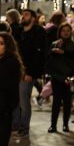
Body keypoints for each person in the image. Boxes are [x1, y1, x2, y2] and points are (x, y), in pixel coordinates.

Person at [12, 9, 47, 137]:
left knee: (23, 101)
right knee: (15, 99)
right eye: (23, 14)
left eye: (26, 15)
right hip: (17, 71)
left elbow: (38, 54)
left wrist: (30, 72)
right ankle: (15, 124)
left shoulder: (38, 32)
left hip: (28, 72)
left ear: (33, 18)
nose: (23, 17)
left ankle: (24, 127)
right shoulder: (20, 31)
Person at [46, 23, 74, 133]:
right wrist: (54, 50)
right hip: (56, 76)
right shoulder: (54, 44)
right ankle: (53, 125)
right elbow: (49, 59)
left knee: (67, 102)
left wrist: (63, 52)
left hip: (68, 77)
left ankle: (65, 124)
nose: (65, 32)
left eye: (67, 30)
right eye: (63, 30)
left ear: (71, 32)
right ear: (59, 32)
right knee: (56, 102)